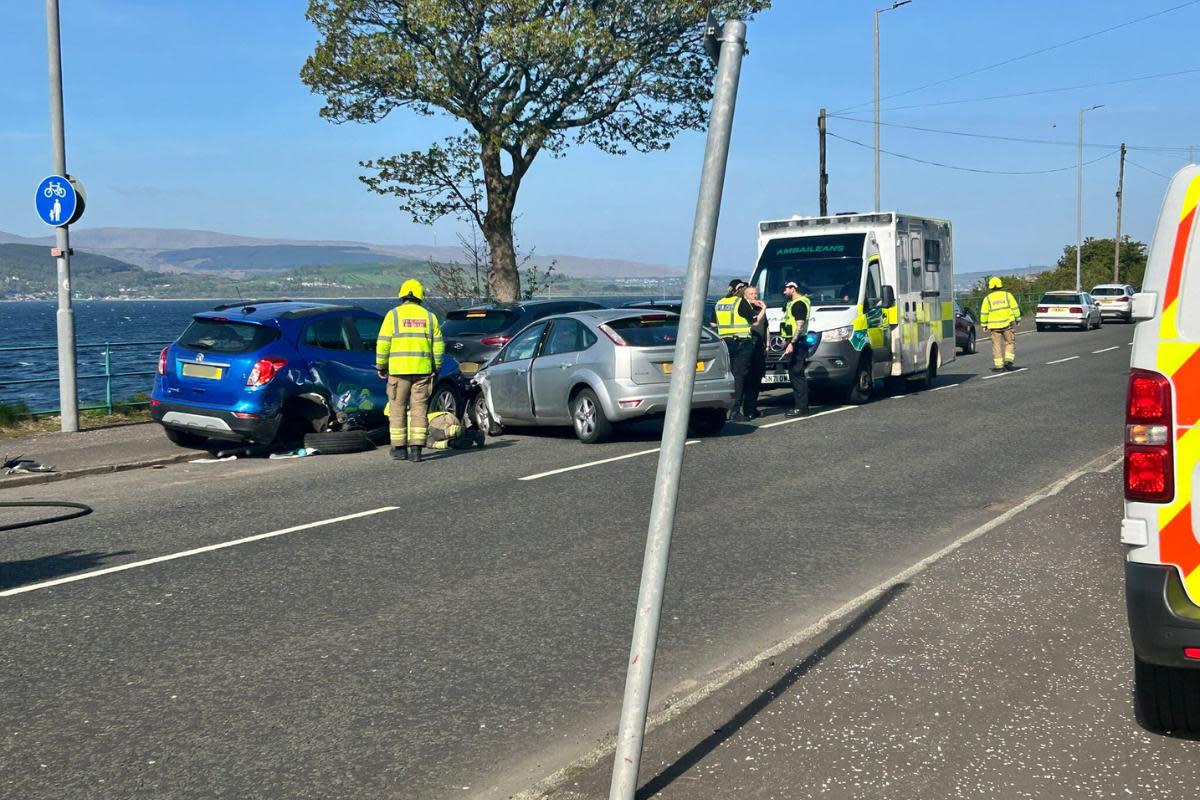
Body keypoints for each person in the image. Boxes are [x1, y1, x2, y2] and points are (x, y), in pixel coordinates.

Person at [376, 278, 444, 462]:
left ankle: (399, 448)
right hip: (423, 371)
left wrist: (381, 365)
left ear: (402, 295)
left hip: (398, 371)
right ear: (421, 296)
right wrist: (436, 367)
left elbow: (383, 343)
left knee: (397, 408)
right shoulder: (430, 317)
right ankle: (416, 449)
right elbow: (438, 346)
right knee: (419, 408)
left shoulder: (393, 315)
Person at [713, 279, 759, 421]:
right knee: (740, 376)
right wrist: (762, 309)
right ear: (739, 290)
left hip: (725, 343)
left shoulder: (719, 303)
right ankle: (735, 411)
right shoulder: (740, 302)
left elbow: (713, 323)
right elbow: (754, 321)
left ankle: (726, 410)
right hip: (742, 342)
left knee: (730, 375)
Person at [780, 280, 812, 417]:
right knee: (794, 374)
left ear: (793, 289)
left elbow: (799, 326)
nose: (784, 291)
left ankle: (801, 408)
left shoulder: (799, 304)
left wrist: (792, 342)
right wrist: (784, 340)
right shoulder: (791, 303)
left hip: (798, 343)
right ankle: (800, 406)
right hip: (792, 341)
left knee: (797, 375)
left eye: (786, 288)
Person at [979, 276, 1021, 372]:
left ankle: (999, 367)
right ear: (1000, 285)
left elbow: (984, 313)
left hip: (994, 327)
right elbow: (1015, 308)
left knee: (996, 346)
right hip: (1007, 325)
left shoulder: (987, 299)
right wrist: (1018, 319)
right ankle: (1008, 361)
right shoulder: (1007, 295)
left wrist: (984, 325)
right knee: (1010, 342)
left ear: (990, 287)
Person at [741, 285, 769, 418]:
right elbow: (755, 323)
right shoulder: (745, 308)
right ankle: (745, 409)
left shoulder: (759, 309)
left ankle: (752, 408)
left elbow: (765, 327)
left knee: (757, 378)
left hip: (759, 347)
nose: (755, 296)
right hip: (747, 347)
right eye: (751, 294)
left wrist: (767, 344)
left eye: (756, 294)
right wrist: (763, 309)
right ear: (745, 296)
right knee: (747, 379)